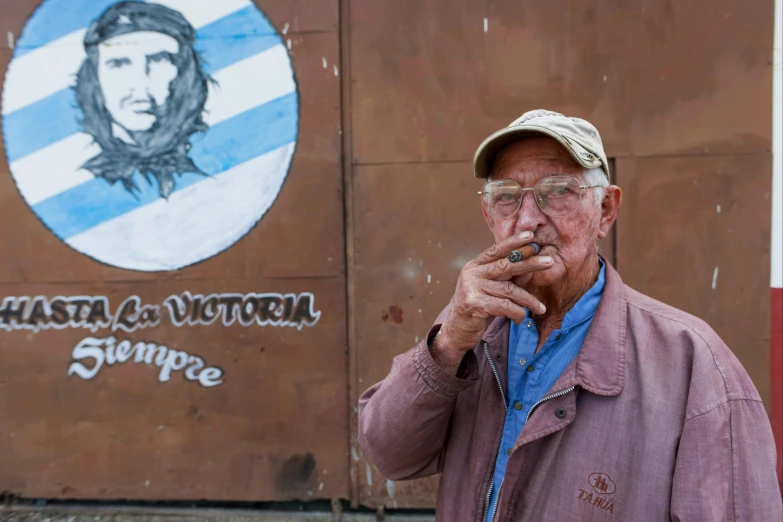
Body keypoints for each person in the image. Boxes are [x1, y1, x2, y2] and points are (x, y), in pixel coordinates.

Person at [357, 109, 782, 521]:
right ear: (489, 215)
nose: (528, 220)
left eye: (557, 191)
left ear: (606, 212)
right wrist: (447, 344)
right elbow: (389, 456)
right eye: (507, 197)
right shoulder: (472, 328)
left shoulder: (694, 363)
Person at [74, 1, 213, 199]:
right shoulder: (79, 182)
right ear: (94, 80)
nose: (140, 84)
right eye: (119, 64)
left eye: (158, 60)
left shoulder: (214, 161)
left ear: (186, 74)